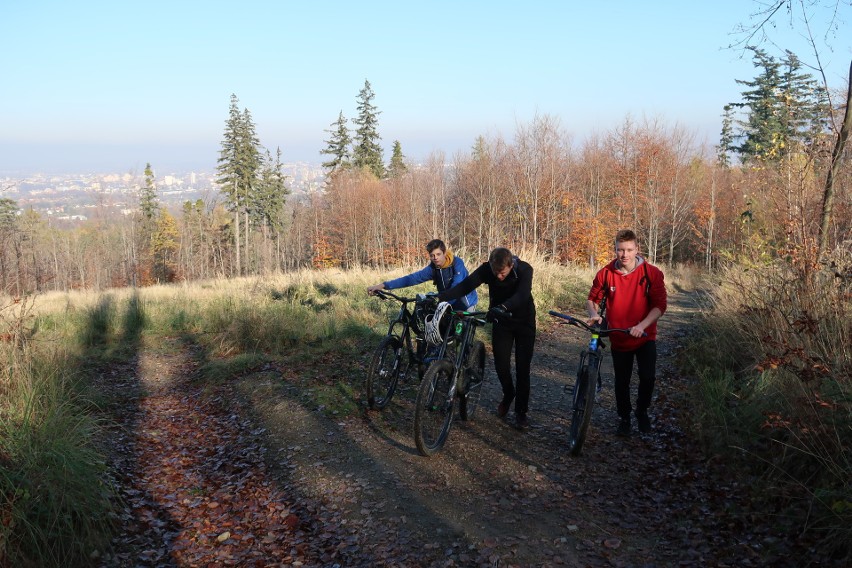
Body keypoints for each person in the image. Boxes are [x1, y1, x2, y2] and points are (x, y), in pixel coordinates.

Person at [437, 247, 536, 430]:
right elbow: (465, 286)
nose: (499, 277)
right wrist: (440, 297)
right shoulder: (486, 270)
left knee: (523, 368)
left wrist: (504, 307)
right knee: (501, 365)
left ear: (510, 265)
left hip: (524, 322)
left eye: (503, 273)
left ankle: (521, 413)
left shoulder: (524, 269)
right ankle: (508, 393)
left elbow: (522, 295)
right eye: (495, 272)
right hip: (501, 322)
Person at [586, 229, 667, 436]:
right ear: (615, 249)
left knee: (647, 378)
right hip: (619, 335)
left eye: (629, 250)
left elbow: (659, 306)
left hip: (645, 335)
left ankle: (641, 411)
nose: (624, 255)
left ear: (637, 249)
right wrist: (594, 314)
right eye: (620, 250)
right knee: (621, 381)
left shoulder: (652, 274)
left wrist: (642, 325)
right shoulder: (605, 274)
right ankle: (624, 418)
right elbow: (592, 299)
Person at [366, 239, 477, 310]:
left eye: (438, 254)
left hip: (465, 303)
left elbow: (456, 285)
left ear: (444, 253)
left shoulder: (457, 263)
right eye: (432, 255)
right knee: (439, 336)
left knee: (462, 339)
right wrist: (383, 285)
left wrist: (441, 298)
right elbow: (411, 279)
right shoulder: (433, 268)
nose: (435, 258)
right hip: (446, 303)